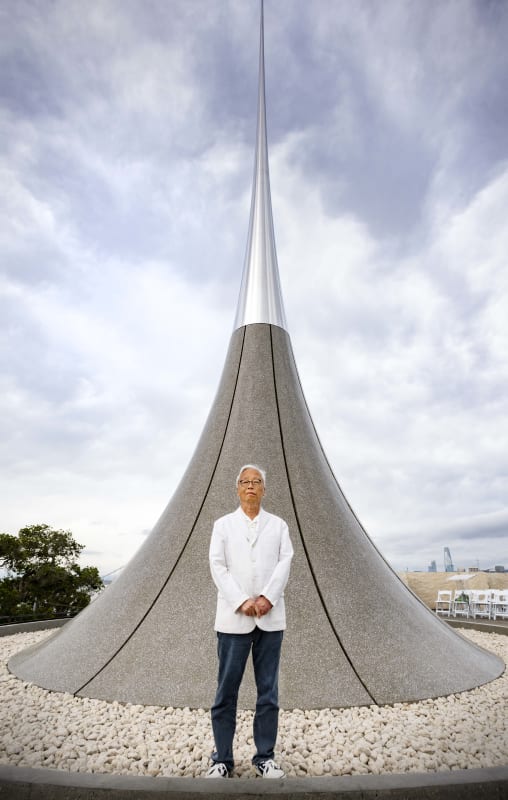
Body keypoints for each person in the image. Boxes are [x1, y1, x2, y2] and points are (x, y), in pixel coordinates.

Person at [206, 464, 294, 779]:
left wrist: (268, 597)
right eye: (245, 481)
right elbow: (217, 565)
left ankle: (265, 757)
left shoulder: (279, 525)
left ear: (264, 489)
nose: (251, 486)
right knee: (226, 691)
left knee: (268, 691)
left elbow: (285, 561)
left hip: (271, 621)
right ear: (238, 488)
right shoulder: (223, 525)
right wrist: (241, 600)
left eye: (257, 482)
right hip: (233, 622)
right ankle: (222, 758)